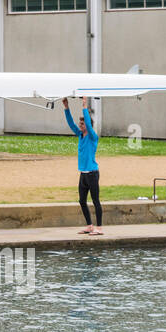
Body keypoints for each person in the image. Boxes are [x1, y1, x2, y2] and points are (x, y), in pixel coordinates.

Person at [64, 96, 103, 236]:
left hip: (92, 173)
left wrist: (84, 105)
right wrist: (66, 107)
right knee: (82, 200)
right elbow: (71, 124)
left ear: (88, 125)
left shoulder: (93, 136)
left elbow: (87, 121)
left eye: (82, 123)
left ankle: (99, 228)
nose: (80, 125)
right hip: (83, 174)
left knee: (95, 200)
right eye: (80, 123)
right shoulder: (80, 135)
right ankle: (89, 226)